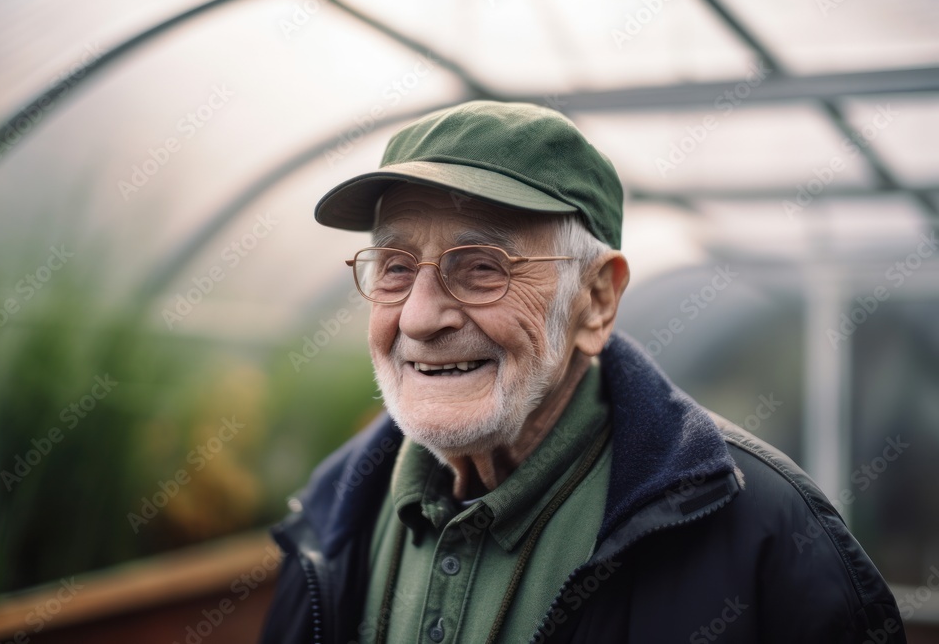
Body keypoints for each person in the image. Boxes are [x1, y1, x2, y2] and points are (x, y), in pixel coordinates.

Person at [261, 101, 904, 643]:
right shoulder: (329, 514)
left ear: (595, 300)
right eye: (395, 266)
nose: (421, 317)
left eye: (483, 266)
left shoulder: (764, 534)